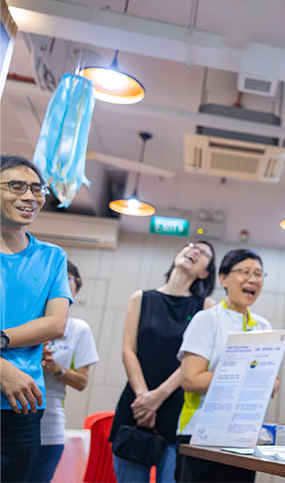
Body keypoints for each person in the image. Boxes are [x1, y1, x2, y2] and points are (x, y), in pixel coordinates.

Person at [110, 241, 216, 483]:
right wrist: (143, 397)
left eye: (204, 253)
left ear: (204, 273)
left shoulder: (206, 307)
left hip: (175, 408)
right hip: (136, 407)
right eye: (191, 246)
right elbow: (128, 350)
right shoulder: (141, 298)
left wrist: (157, 397)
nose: (195, 251)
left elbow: (195, 361)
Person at [175, 249, 274, 483]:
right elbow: (190, 379)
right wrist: (247, 377)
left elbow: (272, 383)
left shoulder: (263, 326)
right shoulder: (206, 320)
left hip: (242, 437)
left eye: (259, 274)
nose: (253, 279)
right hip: (200, 434)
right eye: (245, 272)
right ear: (223, 278)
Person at [0, 155, 70, 482]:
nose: (30, 197)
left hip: (23, 403)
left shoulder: (53, 257)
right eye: (16, 186)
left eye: (37, 188)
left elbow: (55, 324)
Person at [30, 261, 100, 482]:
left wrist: (56, 368)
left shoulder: (78, 329)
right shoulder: (25, 319)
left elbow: (81, 382)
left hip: (49, 427)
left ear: (76, 289)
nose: (63, 284)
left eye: (69, 279)